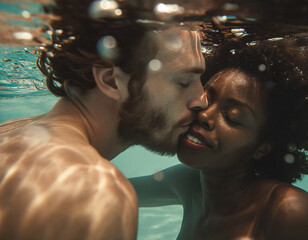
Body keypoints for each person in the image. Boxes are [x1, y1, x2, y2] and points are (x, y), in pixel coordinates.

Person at [0, 0, 207, 239]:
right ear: (110, 80)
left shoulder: (11, 130)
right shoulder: (95, 195)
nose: (201, 99)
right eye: (183, 82)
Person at [130, 35, 308, 239]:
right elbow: (119, 189)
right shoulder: (190, 182)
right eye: (207, 98)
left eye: (232, 117)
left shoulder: (287, 210)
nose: (205, 115)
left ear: (262, 147)